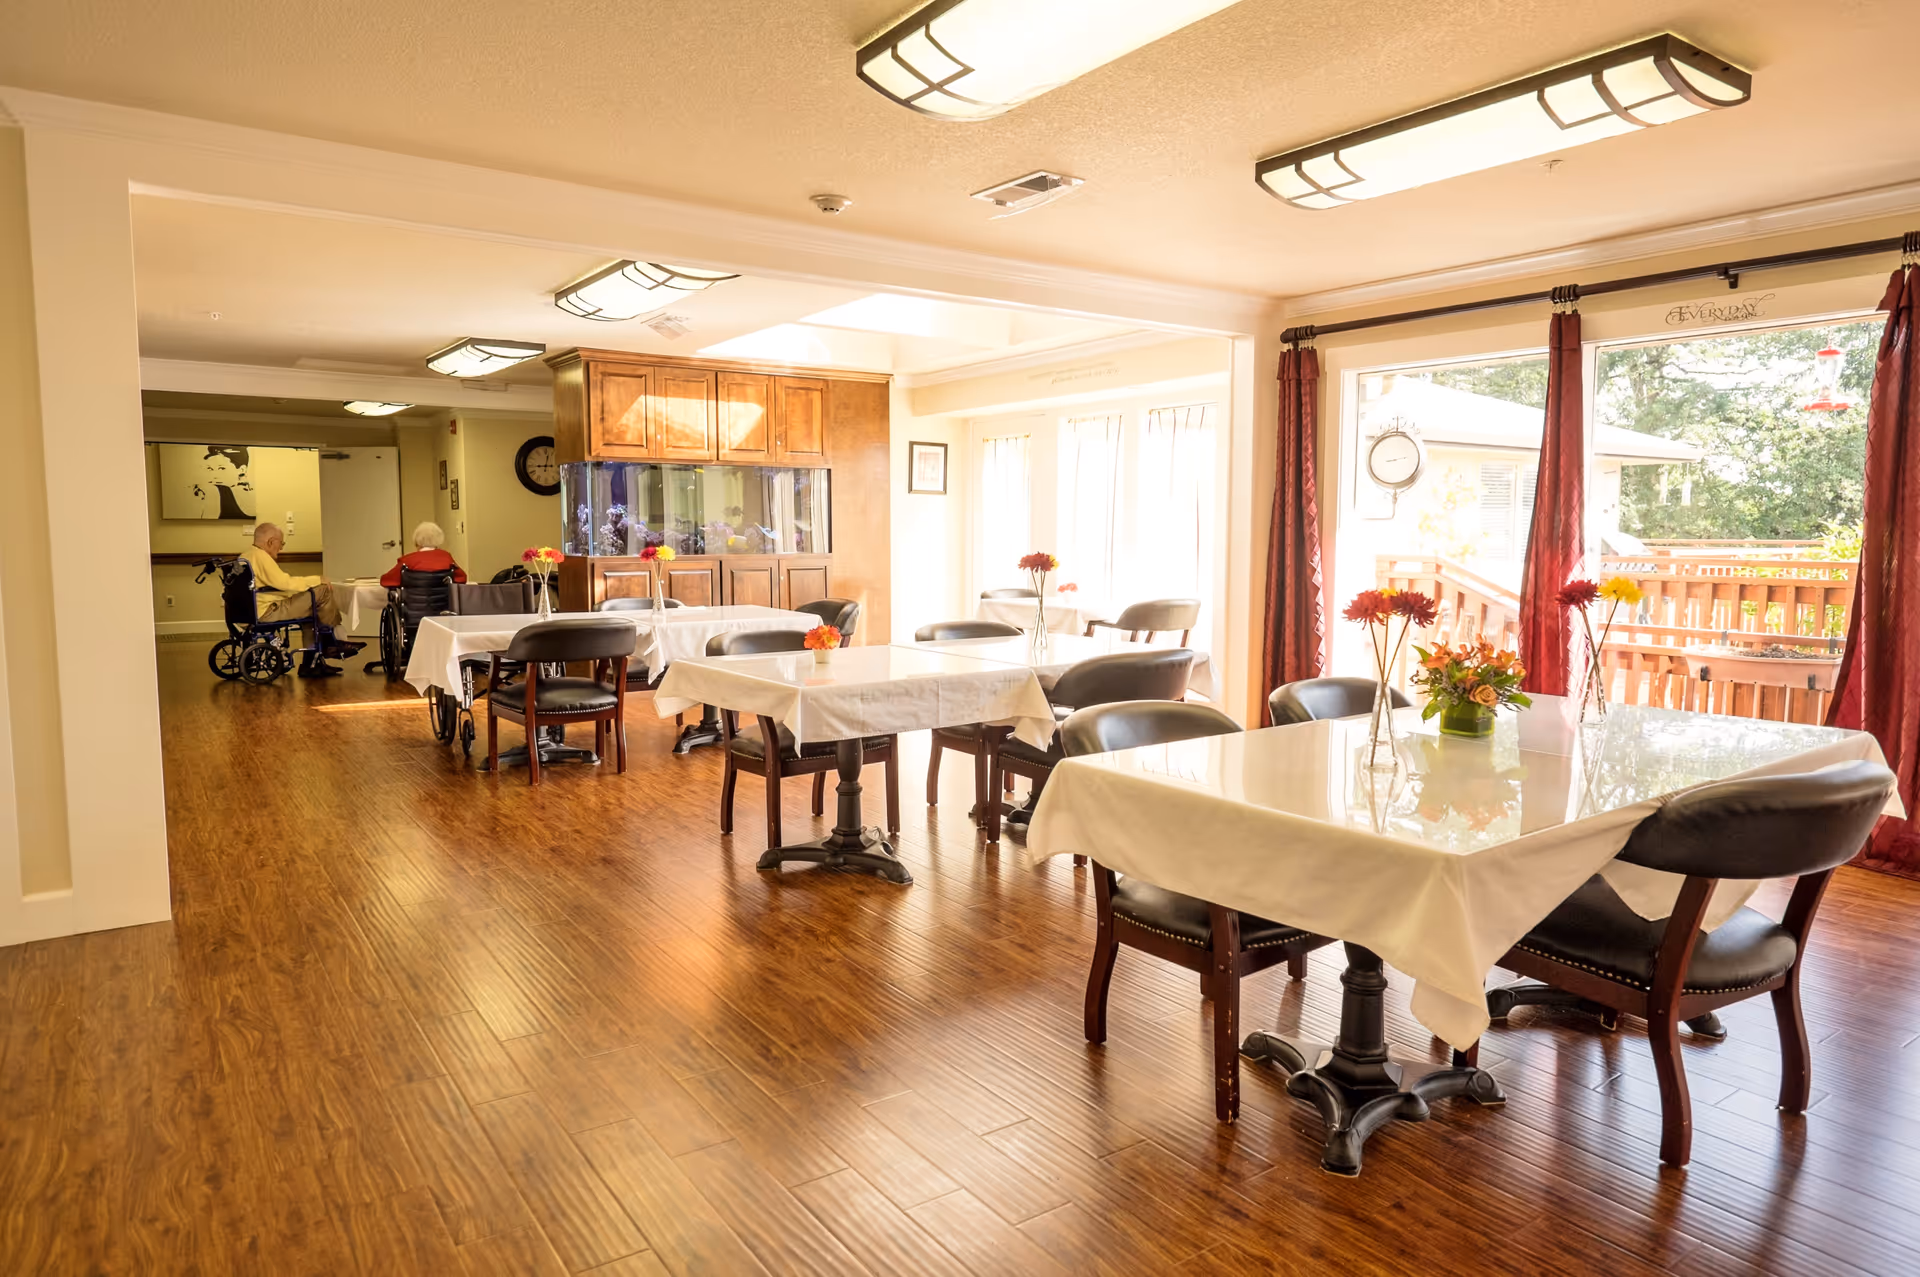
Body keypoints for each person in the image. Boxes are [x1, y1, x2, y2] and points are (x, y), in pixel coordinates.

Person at [239, 522, 356, 678]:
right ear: (271, 542)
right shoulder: (261, 557)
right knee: (322, 590)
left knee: (312, 613)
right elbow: (285, 583)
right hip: (267, 611)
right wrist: (317, 579)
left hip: (250, 612)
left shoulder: (246, 556)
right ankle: (332, 641)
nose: (281, 548)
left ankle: (313, 662)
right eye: (281, 543)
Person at [380, 522, 467, 587]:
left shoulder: (407, 560)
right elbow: (462, 578)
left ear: (416, 542)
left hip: (413, 605)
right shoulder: (446, 557)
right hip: (443, 604)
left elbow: (386, 581)